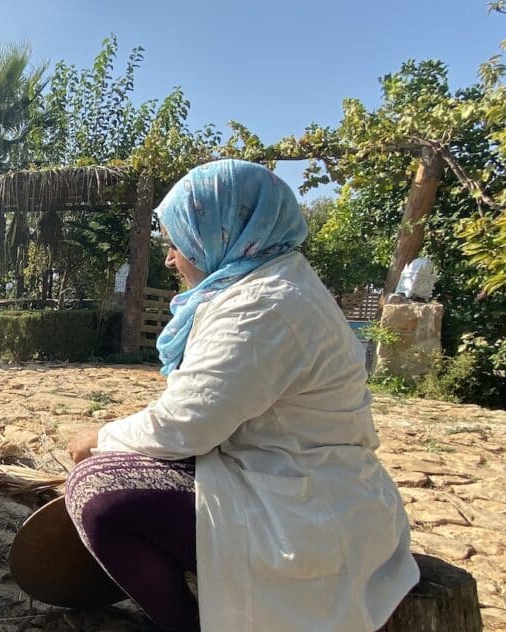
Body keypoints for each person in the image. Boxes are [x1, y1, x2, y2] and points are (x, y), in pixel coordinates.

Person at [64, 160, 418, 631]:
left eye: (176, 243)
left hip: (304, 507)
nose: (171, 258)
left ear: (221, 230)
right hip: (284, 478)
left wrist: (99, 437)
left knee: (99, 494)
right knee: (117, 474)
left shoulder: (264, 304)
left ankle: (186, 621)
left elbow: (185, 424)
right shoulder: (264, 285)